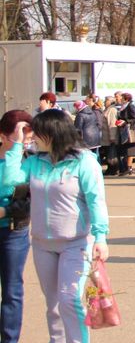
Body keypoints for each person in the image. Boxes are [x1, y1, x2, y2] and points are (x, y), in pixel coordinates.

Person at [1, 110, 109, 343]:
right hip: (43, 244)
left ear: (53, 134)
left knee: (69, 299)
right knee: (54, 305)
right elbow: (11, 180)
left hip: (77, 242)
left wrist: (101, 237)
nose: (33, 138)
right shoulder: (34, 161)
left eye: (38, 133)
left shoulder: (84, 162)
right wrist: (17, 145)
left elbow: (96, 200)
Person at [0, 111, 32, 343]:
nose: (25, 140)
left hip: (14, 232)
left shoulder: (30, 162)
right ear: (2, 136)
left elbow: (32, 200)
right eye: (20, 134)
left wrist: (6, 211)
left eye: (29, 135)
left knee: (12, 291)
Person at [115, 92, 135, 176]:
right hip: (123, 130)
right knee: (124, 150)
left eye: (122, 98)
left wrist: (125, 121)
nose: (120, 100)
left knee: (130, 150)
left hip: (130, 130)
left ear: (126, 99)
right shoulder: (122, 107)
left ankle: (129, 168)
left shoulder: (130, 106)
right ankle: (126, 168)